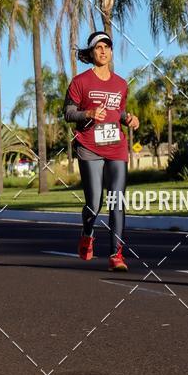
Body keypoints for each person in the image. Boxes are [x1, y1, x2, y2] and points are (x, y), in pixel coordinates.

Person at [64, 32, 139, 272]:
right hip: (89, 146)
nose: (103, 51)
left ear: (111, 52)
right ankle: (87, 232)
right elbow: (68, 113)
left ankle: (116, 255)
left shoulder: (120, 84)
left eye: (107, 47)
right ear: (91, 52)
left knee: (117, 200)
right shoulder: (80, 82)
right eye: (98, 47)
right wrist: (87, 114)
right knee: (94, 204)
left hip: (116, 147)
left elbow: (119, 112)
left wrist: (129, 119)